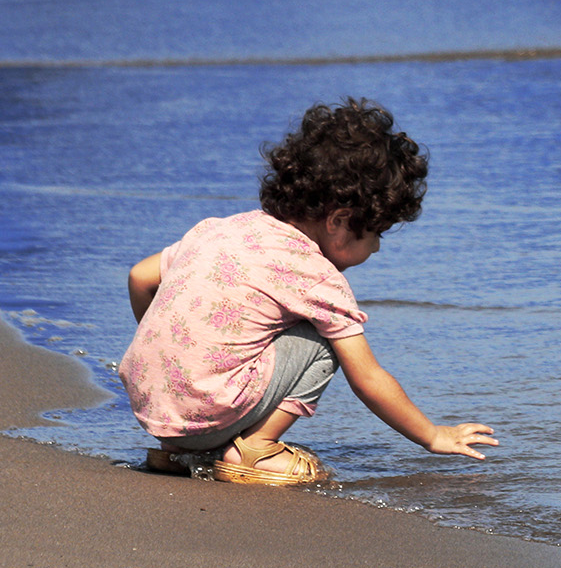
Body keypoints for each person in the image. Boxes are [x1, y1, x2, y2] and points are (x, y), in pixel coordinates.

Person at [118, 98, 496, 485]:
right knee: (324, 338)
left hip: (152, 410)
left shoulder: (222, 227)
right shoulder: (318, 277)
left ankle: (181, 450)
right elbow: (367, 378)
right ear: (339, 220)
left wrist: (172, 359)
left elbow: (140, 277)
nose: (378, 248)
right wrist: (432, 435)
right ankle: (254, 450)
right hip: (205, 414)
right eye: (376, 233)